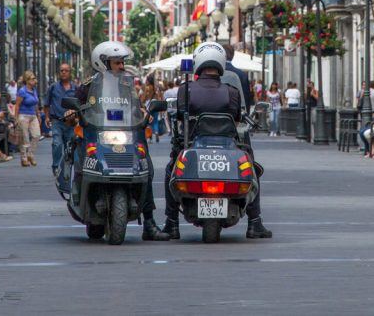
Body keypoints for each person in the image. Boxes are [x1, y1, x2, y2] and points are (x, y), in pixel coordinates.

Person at [163, 41, 272, 240]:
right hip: (227, 145)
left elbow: (179, 116)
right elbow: (238, 118)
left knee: (172, 169)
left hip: (195, 143)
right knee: (252, 170)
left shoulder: (185, 89)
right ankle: (254, 223)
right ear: (221, 62)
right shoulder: (231, 91)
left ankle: (171, 224)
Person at [66, 41, 170, 241]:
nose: (122, 66)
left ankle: (149, 222)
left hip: (126, 135)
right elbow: (74, 107)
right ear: (102, 63)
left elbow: (135, 107)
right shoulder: (88, 86)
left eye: (122, 62)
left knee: (145, 166)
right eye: (117, 63)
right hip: (96, 135)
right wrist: (71, 111)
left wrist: (143, 113)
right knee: (81, 160)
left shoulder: (126, 85)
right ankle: (80, 198)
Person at [45, 63, 79, 191]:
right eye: (61, 70)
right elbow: (47, 103)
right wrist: (47, 117)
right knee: (57, 143)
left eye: (66, 71)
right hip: (57, 121)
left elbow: (79, 104)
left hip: (70, 123)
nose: (63, 73)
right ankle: (56, 168)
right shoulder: (53, 87)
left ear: (70, 73)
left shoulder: (75, 88)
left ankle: (70, 168)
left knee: (70, 146)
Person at [15, 71, 40, 167]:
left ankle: (30, 154)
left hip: (33, 115)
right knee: (25, 138)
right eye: (33, 79)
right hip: (23, 115)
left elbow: (36, 103)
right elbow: (17, 105)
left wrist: (37, 114)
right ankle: (24, 158)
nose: (35, 80)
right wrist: (16, 118)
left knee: (36, 135)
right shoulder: (22, 91)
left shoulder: (34, 90)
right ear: (27, 80)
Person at [221, 43, 252, 111]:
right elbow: (246, 96)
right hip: (236, 114)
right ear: (233, 55)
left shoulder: (215, 72)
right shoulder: (242, 74)